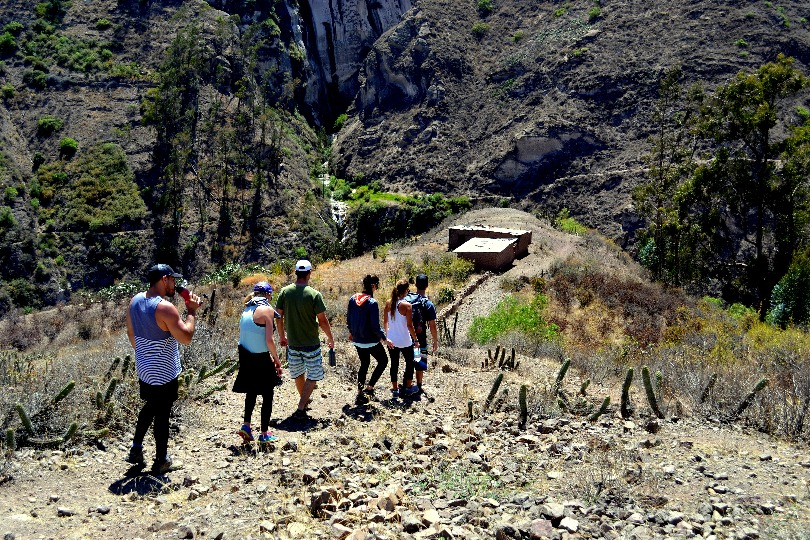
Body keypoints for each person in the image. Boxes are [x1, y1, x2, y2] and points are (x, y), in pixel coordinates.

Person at [125, 263, 201, 474]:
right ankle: (161, 460)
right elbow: (186, 337)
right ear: (165, 279)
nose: (175, 284)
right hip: (164, 372)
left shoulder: (135, 300)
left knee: (150, 405)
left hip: (144, 369)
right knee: (162, 414)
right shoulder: (165, 308)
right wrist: (191, 311)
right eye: (173, 280)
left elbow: (131, 333)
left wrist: (145, 355)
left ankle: (136, 449)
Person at [276, 259, 334, 420]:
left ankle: (304, 400)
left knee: (298, 373)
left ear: (296, 273)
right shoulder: (314, 294)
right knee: (314, 375)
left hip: (293, 343)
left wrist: (282, 336)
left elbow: (278, 316)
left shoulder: (285, 292)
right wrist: (330, 337)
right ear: (309, 273)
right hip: (311, 343)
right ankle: (301, 407)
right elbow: (322, 321)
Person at [233, 281, 283, 445]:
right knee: (268, 394)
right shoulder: (266, 310)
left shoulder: (247, 309)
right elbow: (269, 340)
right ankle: (264, 433)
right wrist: (276, 359)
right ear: (268, 295)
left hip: (245, 356)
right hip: (260, 357)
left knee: (252, 391)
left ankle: (246, 426)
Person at [346, 274, 389, 405]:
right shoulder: (372, 302)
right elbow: (375, 326)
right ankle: (370, 387)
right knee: (383, 361)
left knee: (364, 363)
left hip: (357, 340)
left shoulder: (353, 298)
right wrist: (384, 338)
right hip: (370, 341)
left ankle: (360, 392)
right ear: (374, 286)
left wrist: (352, 332)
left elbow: (348, 320)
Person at [384, 279, 420, 398]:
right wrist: (416, 340)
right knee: (410, 363)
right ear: (406, 290)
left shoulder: (388, 303)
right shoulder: (407, 306)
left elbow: (385, 322)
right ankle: (408, 388)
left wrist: (387, 335)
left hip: (392, 340)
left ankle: (395, 390)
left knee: (394, 364)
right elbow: (409, 325)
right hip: (404, 340)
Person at [404, 273, 438, 392]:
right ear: (427, 286)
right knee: (419, 362)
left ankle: (406, 385)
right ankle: (418, 386)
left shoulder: (407, 299)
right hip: (420, 337)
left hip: (406, 336)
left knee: (408, 362)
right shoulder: (428, 304)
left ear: (415, 285)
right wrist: (435, 340)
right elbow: (432, 325)